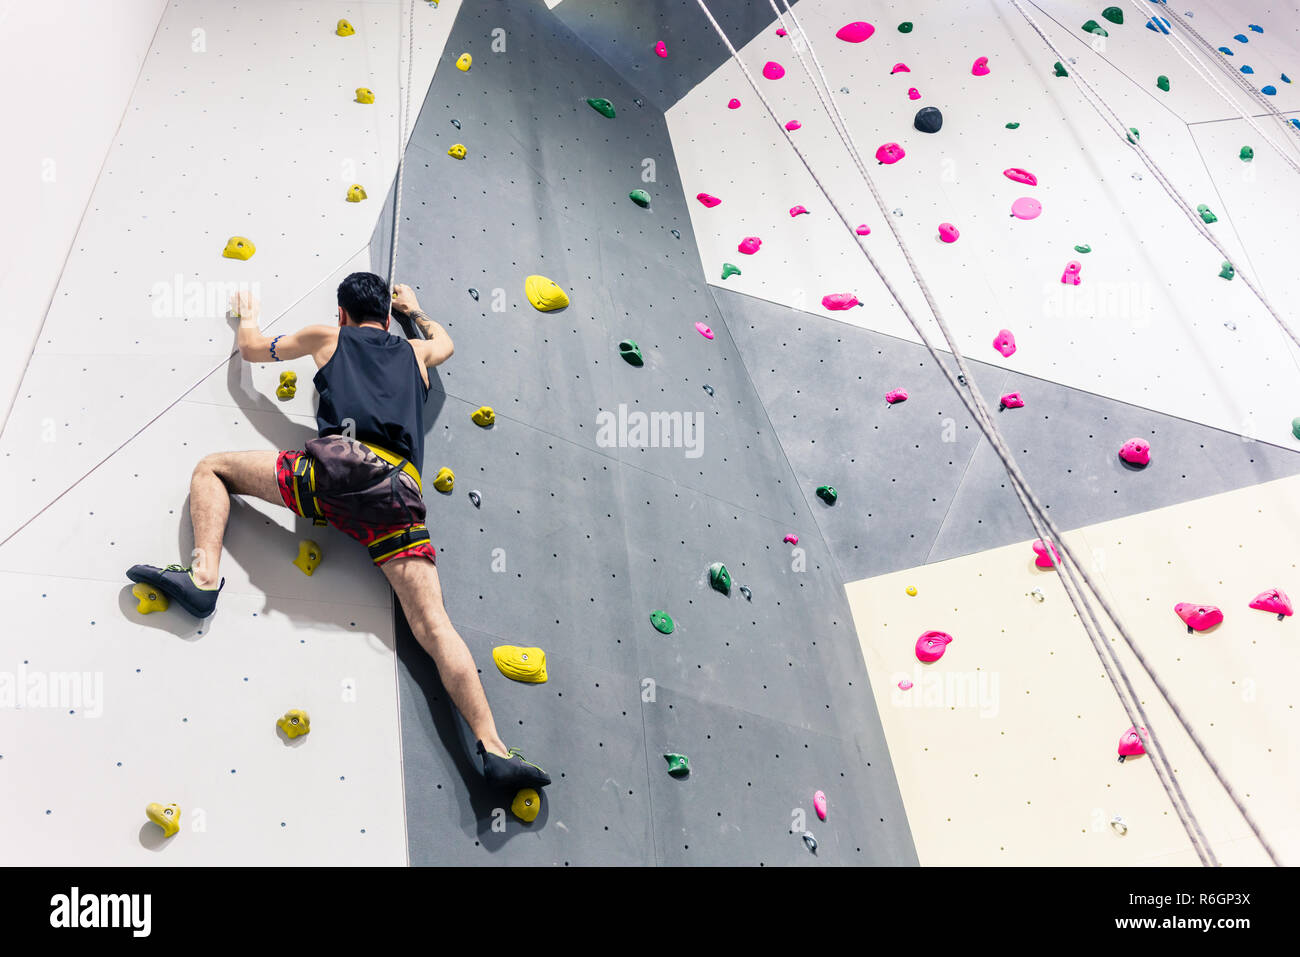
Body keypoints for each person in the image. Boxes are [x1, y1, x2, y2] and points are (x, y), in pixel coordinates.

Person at [127, 272, 549, 792]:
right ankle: (494, 749)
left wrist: (247, 313)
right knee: (435, 627)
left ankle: (204, 580)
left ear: (342, 313)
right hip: (396, 496)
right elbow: (446, 342)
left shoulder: (327, 337)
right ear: (388, 317)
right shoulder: (415, 354)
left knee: (212, 469)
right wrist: (415, 309)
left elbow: (254, 350)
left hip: (333, 476)